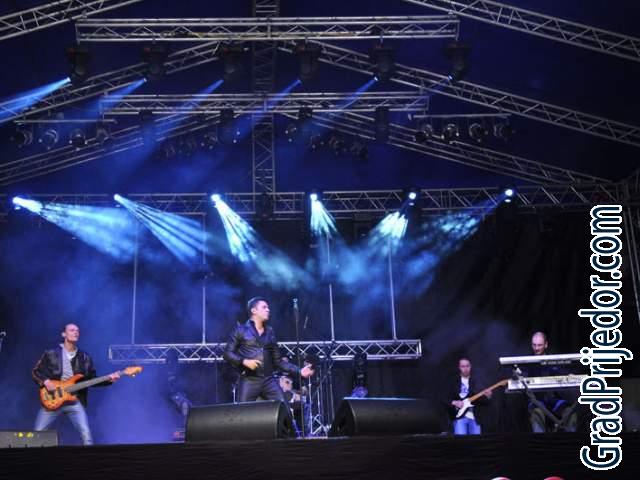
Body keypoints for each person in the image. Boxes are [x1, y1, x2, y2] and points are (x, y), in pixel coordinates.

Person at [32, 323, 119, 445]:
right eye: (72, 330)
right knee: (37, 433)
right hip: (52, 399)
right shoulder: (51, 353)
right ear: (64, 334)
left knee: (86, 435)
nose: (76, 332)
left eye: (77, 330)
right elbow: (36, 371)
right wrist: (46, 381)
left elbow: (92, 380)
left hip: (74, 401)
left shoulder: (85, 358)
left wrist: (109, 380)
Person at [223, 297, 314, 403]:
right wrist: (244, 361)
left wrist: (299, 371)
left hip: (268, 380)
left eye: (268, 307)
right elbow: (227, 354)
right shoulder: (241, 330)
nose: (268, 310)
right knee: (243, 411)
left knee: (283, 408)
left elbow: (278, 361)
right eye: (264, 307)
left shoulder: (270, 332)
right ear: (254, 310)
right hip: (249, 379)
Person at [527, 331, 577, 433]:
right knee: (537, 413)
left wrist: (570, 376)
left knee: (570, 412)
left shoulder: (553, 361)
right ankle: (540, 441)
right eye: (534, 345)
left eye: (539, 345)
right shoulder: (526, 362)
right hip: (537, 401)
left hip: (554, 401)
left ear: (546, 345)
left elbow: (564, 373)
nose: (536, 348)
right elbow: (519, 377)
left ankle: (571, 441)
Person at [446, 357, 491, 435]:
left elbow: (484, 401)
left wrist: (488, 396)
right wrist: (454, 402)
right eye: (463, 366)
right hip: (459, 417)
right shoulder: (453, 381)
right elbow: (443, 398)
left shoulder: (477, 381)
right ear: (459, 367)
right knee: (461, 441)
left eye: (467, 366)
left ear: (470, 366)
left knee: (476, 442)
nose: (465, 369)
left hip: (475, 417)